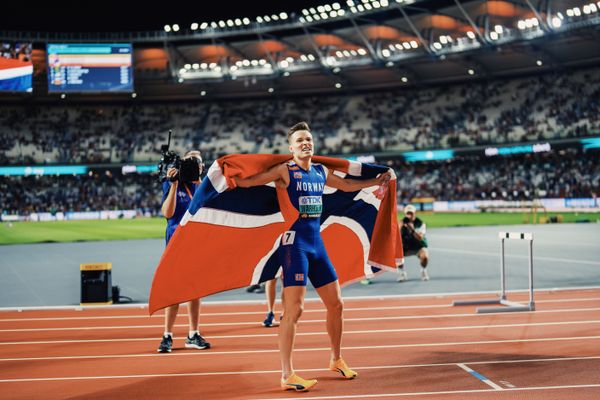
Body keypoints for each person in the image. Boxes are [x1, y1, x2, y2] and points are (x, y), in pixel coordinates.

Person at [234, 122, 391, 391]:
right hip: (294, 245)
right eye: (300, 140)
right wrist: (227, 179)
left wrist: (376, 181)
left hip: (316, 243)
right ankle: (287, 374)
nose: (306, 143)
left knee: (337, 304)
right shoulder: (285, 171)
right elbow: (249, 182)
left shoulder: (320, 171)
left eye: (308, 139)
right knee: (294, 310)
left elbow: (346, 186)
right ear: (291, 147)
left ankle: (336, 358)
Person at [157, 150, 211, 353]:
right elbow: (167, 213)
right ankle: (167, 335)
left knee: (194, 290)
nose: (193, 164)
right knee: (174, 290)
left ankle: (193, 334)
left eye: (197, 161)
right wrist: (173, 185)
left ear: (202, 166)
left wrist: (199, 183)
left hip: (195, 242)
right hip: (175, 242)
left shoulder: (204, 186)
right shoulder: (173, 182)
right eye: (189, 161)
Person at [397, 204, 429, 282]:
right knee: (396, 255)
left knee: (425, 256)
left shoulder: (420, 223)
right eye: (408, 213)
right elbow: (395, 237)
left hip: (418, 246)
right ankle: (402, 273)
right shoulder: (401, 222)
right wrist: (400, 227)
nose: (409, 215)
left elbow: (420, 237)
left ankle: (423, 270)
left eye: (411, 213)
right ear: (405, 214)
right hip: (405, 247)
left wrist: (412, 229)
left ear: (415, 213)